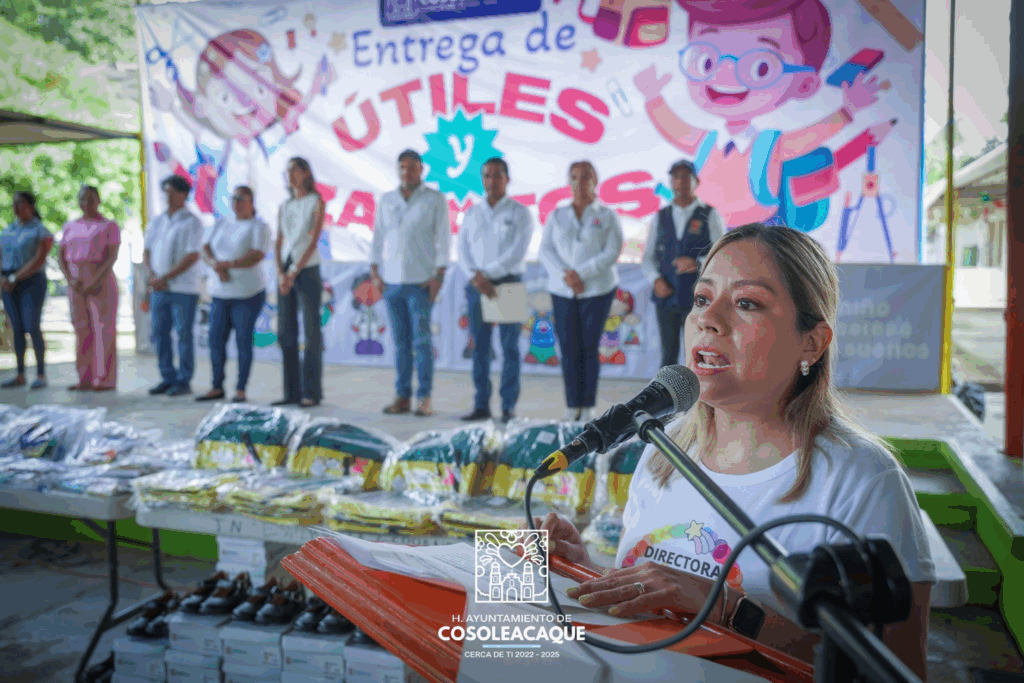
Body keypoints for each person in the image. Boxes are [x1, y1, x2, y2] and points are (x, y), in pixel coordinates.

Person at [536, 224, 934, 680]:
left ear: (812, 342)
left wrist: (728, 609)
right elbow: (656, 609)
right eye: (702, 298)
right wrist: (584, 572)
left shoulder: (863, 480)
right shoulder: (665, 451)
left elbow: (897, 670)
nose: (708, 319)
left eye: (746, 303)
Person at [539, 161, 623, 422]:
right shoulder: (557, 215)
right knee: (568, 348)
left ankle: (587, 405)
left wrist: (581, 274)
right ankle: (571, 404)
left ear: (595, 181)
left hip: (597, 289)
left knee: (589, 346)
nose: (580, 182)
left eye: (586, 177)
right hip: (563, 290)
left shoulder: (607, 216)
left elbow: (612, 251)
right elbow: (546, 250)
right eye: (574, 177)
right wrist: (567, 275)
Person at [371, 149, 449, 417]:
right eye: (402, 167)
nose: (407, 172)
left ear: (421, 169)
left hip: (421, 281)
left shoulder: (434, 199)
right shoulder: (387, 199)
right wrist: (374, 270)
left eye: (412, 167)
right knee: (400, 344)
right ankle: (402, 396)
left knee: (422, 342)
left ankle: (424, 397)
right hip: (391, 281)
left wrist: (439, 275)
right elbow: (378, 236)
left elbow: (443, 238)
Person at [457, 157, 533, 423]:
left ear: (507, 179)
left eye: (497, 175)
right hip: (477, 285)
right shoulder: (472, 213)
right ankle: (481, 405)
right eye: (487, 176)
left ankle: (508, 407)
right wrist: (476, 277)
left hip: (508, 283)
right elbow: (462, 250)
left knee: (510, 348)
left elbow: (517, 252)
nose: (492, 181)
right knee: (479, 348)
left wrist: (486, 276)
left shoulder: (519, 212)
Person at [641, 160, 726, 368]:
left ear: (696, 181)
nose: (681, 181)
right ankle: (668, 390)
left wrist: (697, 263)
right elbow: (648, 258)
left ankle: (700, 390)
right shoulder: (661, 216)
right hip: (666, 297)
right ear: (671, 182)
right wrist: (656, 280)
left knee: (698, 353)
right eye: (676, 177)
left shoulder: (709, 214)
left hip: (699, 299)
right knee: (668, 354)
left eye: (686, 177)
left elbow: (722, 255)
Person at [196, 186, 270, 404]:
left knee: (242, 341)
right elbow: (205, 248)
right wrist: (215, 265)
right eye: (234, 198)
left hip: (248, 293)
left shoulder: (259, 226)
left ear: (251, 201)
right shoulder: (221, 223)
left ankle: (240, 389)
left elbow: (256, 255)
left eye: (241, 199)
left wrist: (228, 265)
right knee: (216, 340)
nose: (236, 203)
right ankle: (217, 385)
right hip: (220, 293)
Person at [144, 175, 202, 397]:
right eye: (165, 192)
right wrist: (153, 276)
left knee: (184, 336)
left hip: (183, 289)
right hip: (159, 288)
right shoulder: (157, 221)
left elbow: (192, 256)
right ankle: (167, 377)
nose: (167, 197)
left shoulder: (191, 222)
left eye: (172, 192)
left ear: (183, 194)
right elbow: (147, 250)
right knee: (160, 333)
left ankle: (184, 380)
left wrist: (166, 277)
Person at [274, 157, 325, 408]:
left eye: (295, 170)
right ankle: (290, 391)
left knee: (311, 331)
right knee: (286, 331)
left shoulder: (316, 201)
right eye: (288, 171)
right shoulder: (285, 205)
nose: (290, 175)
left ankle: (311, 392)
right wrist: (280, 272)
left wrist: (294, 272)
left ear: (306, 172)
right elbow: (278, 241)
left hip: (307, 268)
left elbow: (313, 240)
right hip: (286, 268)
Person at [59, 186, 121, 392]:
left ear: (99, 200)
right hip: (75, 281)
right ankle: (84, 377)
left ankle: (104, 379)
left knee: (104, 329)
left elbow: (112, 256)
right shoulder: (70, 226)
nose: (86, 203)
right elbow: (61, 255)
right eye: (83, 199)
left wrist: (95, 279)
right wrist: (70, 279)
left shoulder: (109, 225)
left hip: (100, 278)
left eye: (91, 199)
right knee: (81, 329)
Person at [0, 191, 53, 389]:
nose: (16, 207)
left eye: (21, 203)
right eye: (14, 203)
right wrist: (3, 279)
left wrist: (15, 277)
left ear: (31, 206)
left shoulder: (40, 230)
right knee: (17, 328)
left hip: (31, 281)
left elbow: (38, 259)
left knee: (32, 325)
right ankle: (20, 374)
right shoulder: (7, 231)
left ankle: (41, 374)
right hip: (8, 282)